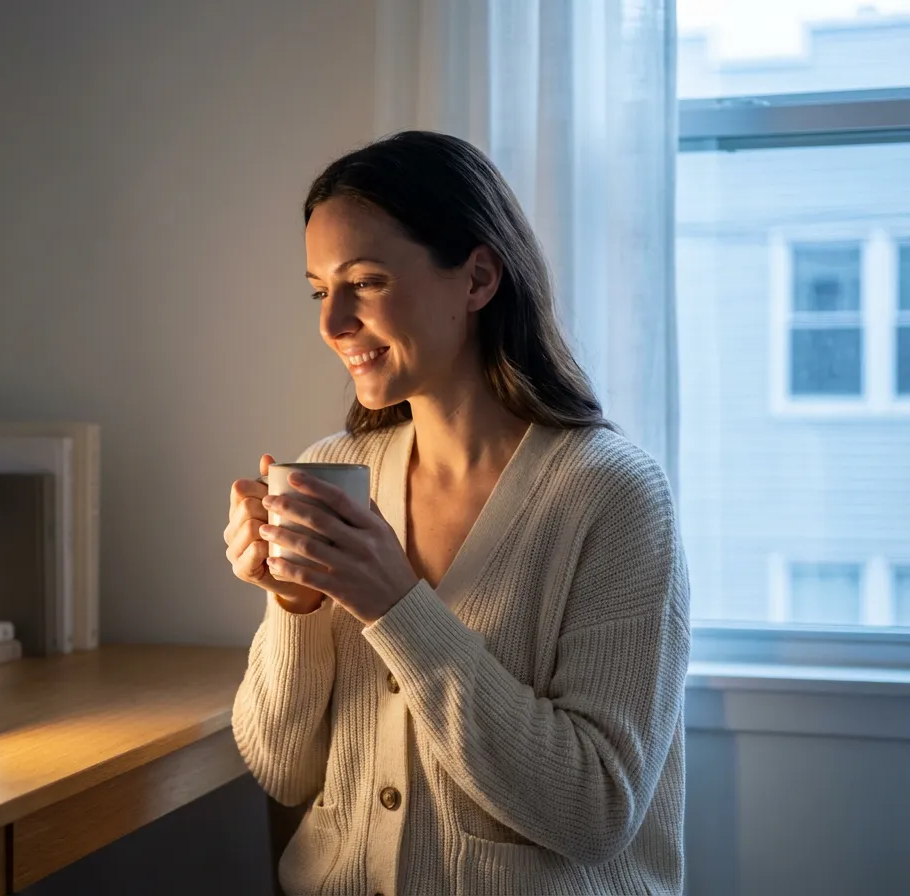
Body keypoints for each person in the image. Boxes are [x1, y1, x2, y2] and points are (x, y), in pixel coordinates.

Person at [225, 130, 690, 896]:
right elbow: (281, 770)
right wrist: (295, 606)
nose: (332, 323)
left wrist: (396, 605)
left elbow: (597, 810)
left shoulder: (611, 495)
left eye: (366, 282)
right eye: (319, 291)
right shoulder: (336, 473)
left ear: (477, 279)